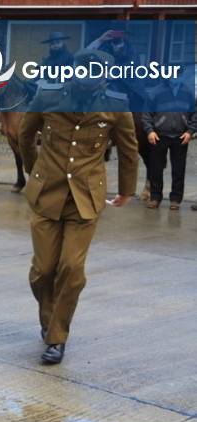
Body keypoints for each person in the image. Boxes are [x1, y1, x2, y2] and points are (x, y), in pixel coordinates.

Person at [19, 79, 137, 363]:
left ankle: (56, 337)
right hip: (47, 194)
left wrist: (126, 190)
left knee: (71, 268)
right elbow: (24, 135)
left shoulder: (116, 105)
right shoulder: (48, 96)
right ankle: (49, 321)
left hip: (85, 197)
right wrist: (34, 171)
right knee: (43, 270)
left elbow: (128, 150)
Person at [141, 80, 197, 210]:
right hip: (158, 136)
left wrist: (190, 131)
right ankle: (155, 198)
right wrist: (150, 131)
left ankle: (175, 200)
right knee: (156, 169)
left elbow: (195, 114)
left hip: (181, 136)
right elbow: (146, 114)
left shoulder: (188, 93)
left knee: (178, 169)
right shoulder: (156, 92)